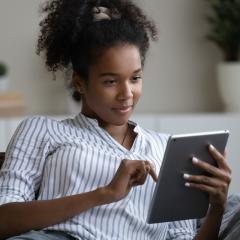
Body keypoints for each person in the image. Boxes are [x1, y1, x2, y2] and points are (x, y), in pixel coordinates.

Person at [0, 0, 232, 239]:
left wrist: (216, 207)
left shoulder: (165, 149)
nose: (127, 94)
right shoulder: (43, 130)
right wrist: (104, 194)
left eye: (135, 78)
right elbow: (4, 220)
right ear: (80, 82)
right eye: (110, 81)